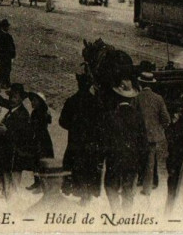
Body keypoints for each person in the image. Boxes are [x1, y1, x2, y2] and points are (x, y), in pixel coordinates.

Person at [59, 73, 105, 202]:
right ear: (90, 85)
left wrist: (74, 127)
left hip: (75, 141)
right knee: (89, 168)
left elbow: (62, 121)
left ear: (78, 84)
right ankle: (87, 196)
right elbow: (101, 123)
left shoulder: (71, 101)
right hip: (91, 142)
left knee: (73, 166)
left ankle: (74, 191)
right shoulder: (96, 102)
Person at [104, 78, 148, 212]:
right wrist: (142, 164)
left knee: (111, 187)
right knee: (128, 190)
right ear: (131, 99)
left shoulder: (110, 116)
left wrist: (102, 159)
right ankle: (127, 215)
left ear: (116, 98)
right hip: (132, 160)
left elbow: (104, 141)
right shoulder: (138, 116)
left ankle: (115, 212)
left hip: (114, 159)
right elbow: (143, 143)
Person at [134, 72, 171, 196]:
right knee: (151, 162)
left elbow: (132, 116)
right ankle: (147, 189)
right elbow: (166, 119)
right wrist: (158, 128)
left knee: (138, 158)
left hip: (139, 135)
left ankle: (135, 184)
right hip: (153, 136)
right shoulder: (158, 98)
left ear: (141, 83)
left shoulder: (136, 97)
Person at [2, 84, 35, 197]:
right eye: (10, 97)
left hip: (16, 152)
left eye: (15, 97)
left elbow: (23, 135)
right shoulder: (10, 111)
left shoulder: (22, 114)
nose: (11, 100)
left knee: (14, 181)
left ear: (21, 99)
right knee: (6, 180)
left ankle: (13, 205)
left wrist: (6, 130)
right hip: (7, 151)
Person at [165, 94, 183, 208]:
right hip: (179, 160)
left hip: (174, 161)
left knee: (173, 190)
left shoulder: (175, 126)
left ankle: (169, 211)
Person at [27, 91, 54, 191]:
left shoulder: (42, 112)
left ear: (40, 102)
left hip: (42, 139)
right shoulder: (35, 112)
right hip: (36, 138)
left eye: (34, 100)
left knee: (42, 159)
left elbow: (45, 122)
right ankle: (37, 181)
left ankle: (43, 184)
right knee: (35, 160)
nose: (32, 102)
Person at [0, 20, 17, 89]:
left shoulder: (5, 35)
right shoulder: (3, 36)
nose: (8, 28)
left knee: (7, 69)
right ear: (4, 27)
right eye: (7, 26)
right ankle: (3, 82)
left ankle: (6, 82)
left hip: (6, 55)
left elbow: (12, 46)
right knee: (4, 69)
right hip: (5, 55)